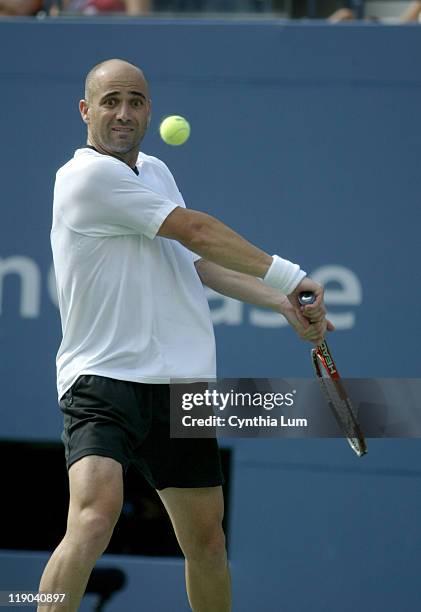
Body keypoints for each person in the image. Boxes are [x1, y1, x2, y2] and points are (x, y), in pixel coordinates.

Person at [38, 58, 332, 612]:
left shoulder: (154, 171)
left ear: (149, 111)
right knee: (94, 518)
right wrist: (290, 276)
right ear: (85, 111)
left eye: (135, 101)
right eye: (110, 101)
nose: (123, 113)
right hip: (103, 380)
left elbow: (193, 261)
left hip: (180, 386)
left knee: (208, 544)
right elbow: (196, 229)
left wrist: (280, 303)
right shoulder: (85, 177)